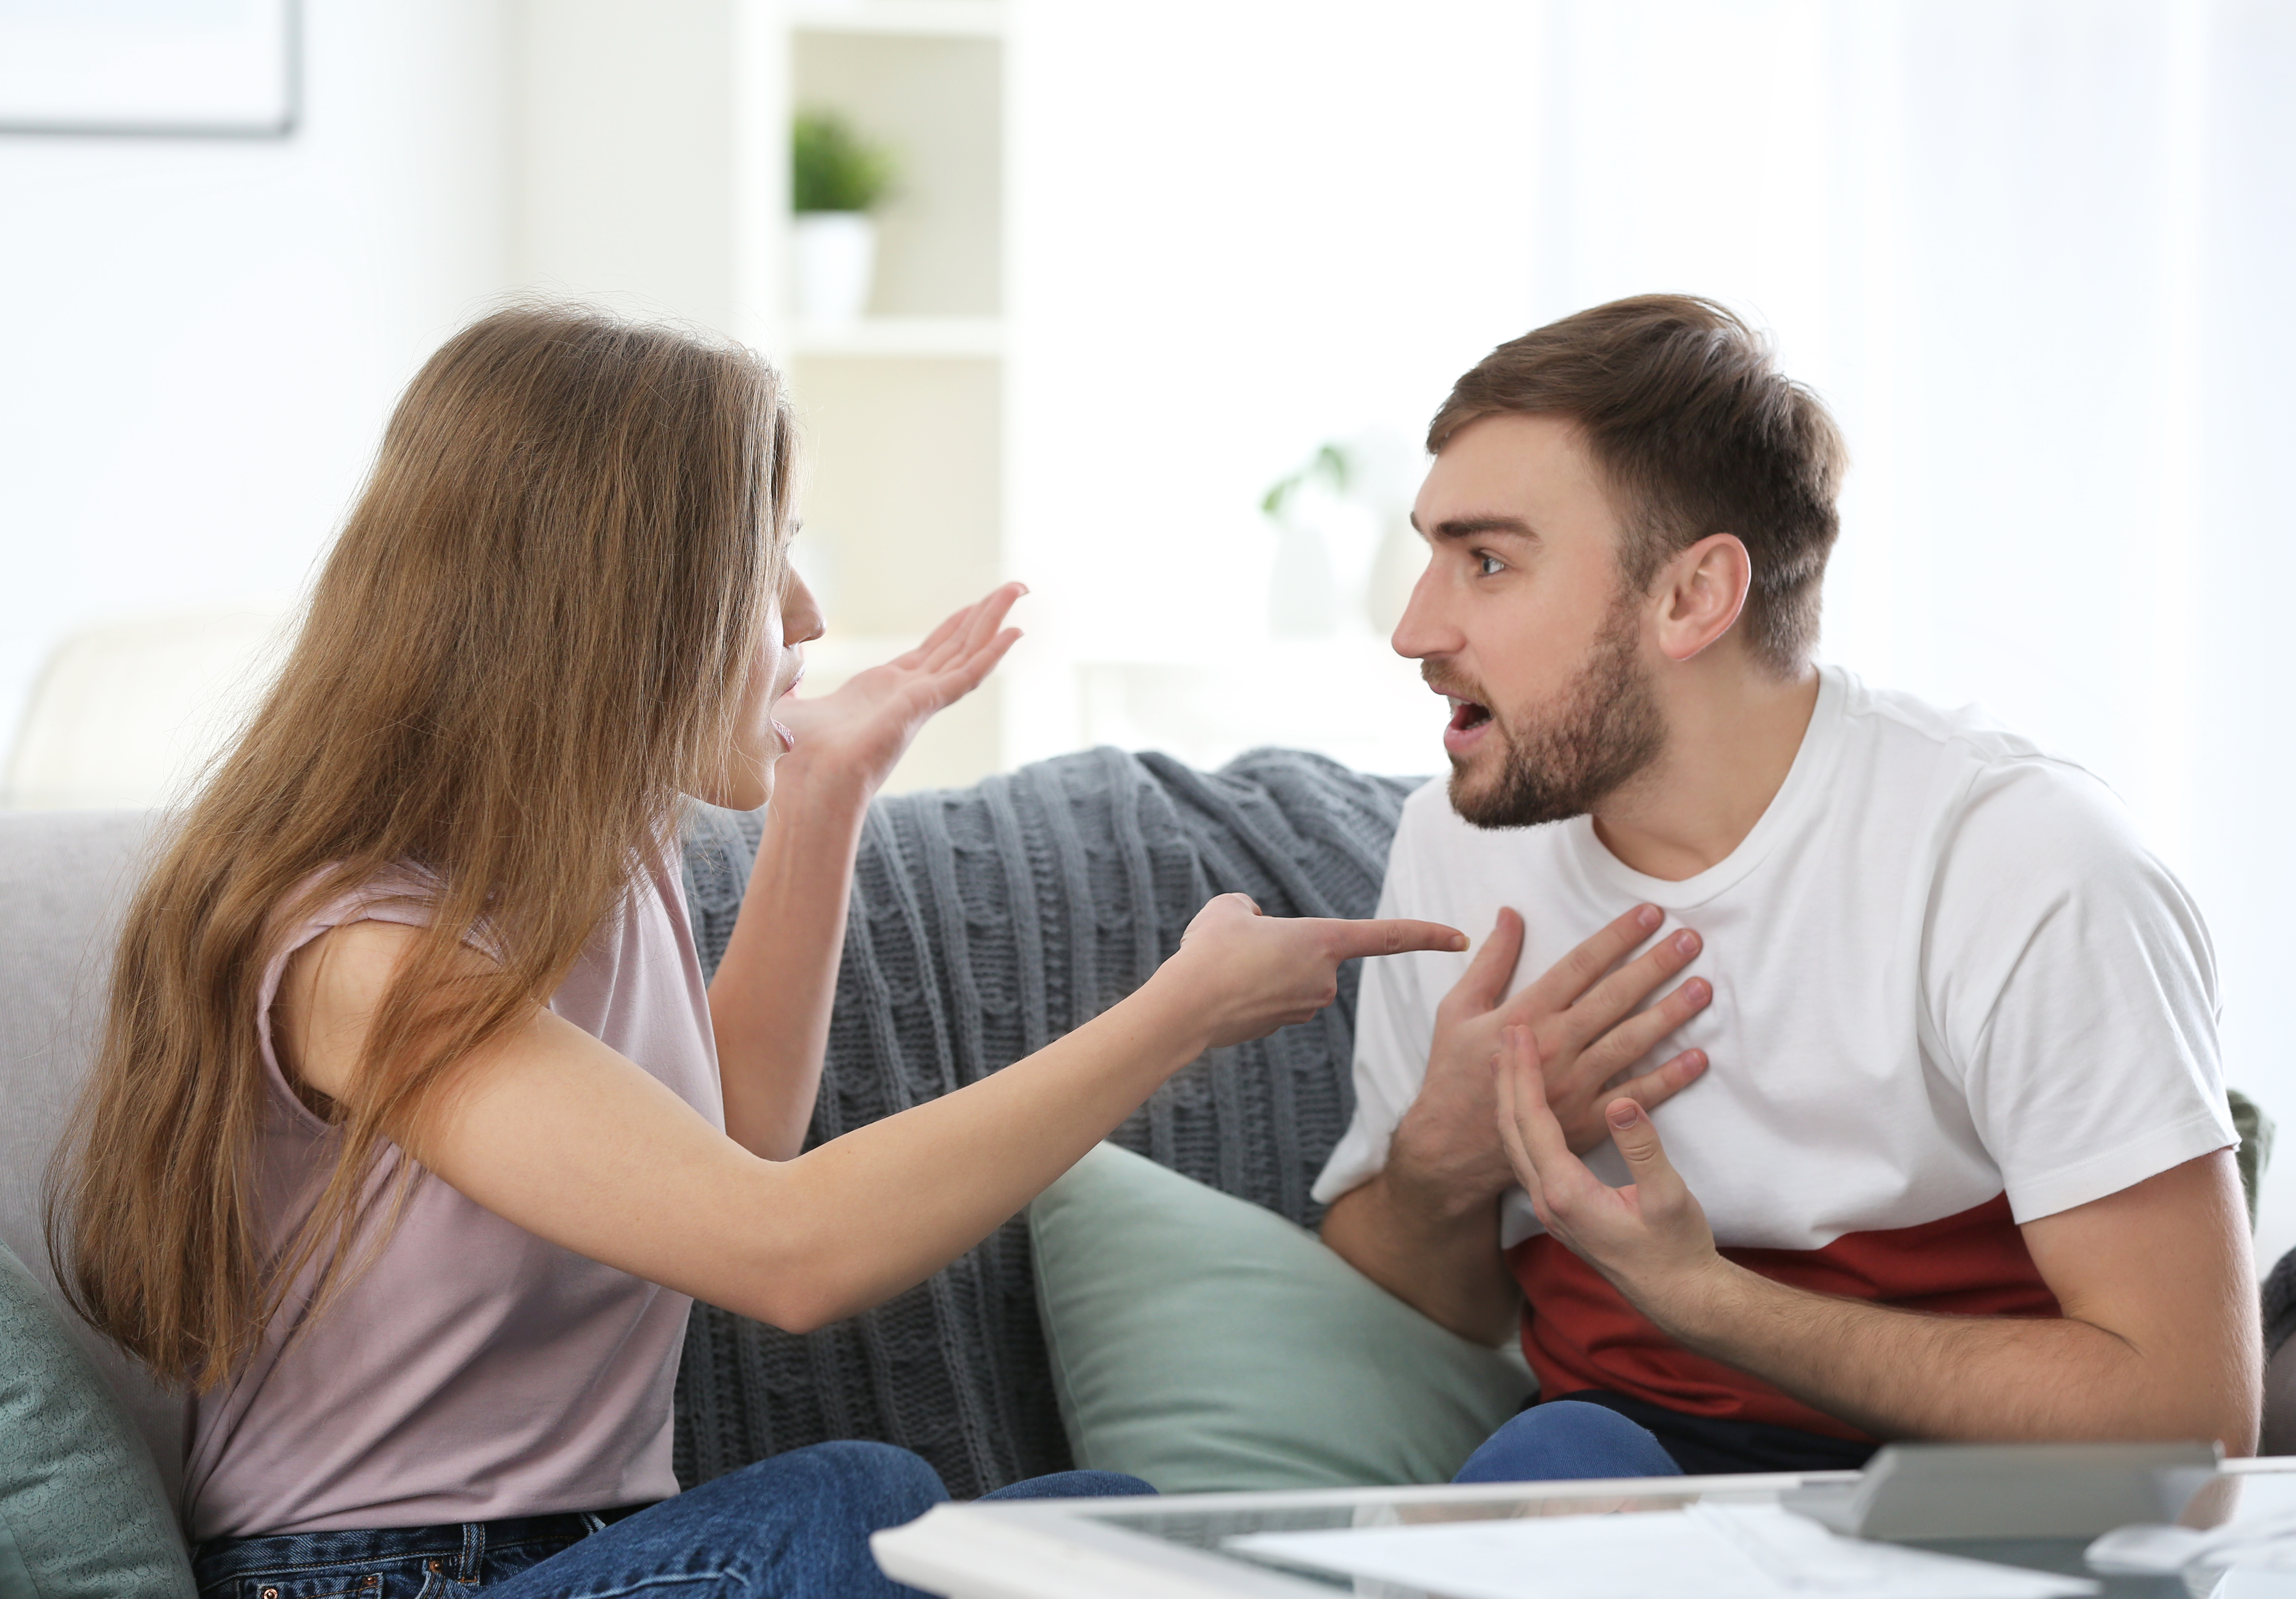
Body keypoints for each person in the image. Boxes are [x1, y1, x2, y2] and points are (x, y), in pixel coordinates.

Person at [47, 304, 1467, 1598]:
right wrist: (1174, 1017)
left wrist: (827, 796)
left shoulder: (608, 856)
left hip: (618, 1555)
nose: (805, 618)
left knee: (1101, 1524)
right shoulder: (364, 954)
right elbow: (783, 1252)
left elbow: (732, 1143)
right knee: (861, 1496)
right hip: (383, 1580)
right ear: (619, 606)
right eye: (770, 555)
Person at [1316, 294, 2259, 1482]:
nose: (1415, 627)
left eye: (1487, 561)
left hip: (1954, 1511)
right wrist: (1448, 1157)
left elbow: (2190, 1417)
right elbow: (1421, 1309)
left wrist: (1709, 1301)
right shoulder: (1460, 844)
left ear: (1694, 597)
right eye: (1431, 554)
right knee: (1550, 1463)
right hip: (1599, 1488)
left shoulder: (2020, 863)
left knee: (1561, 1466)